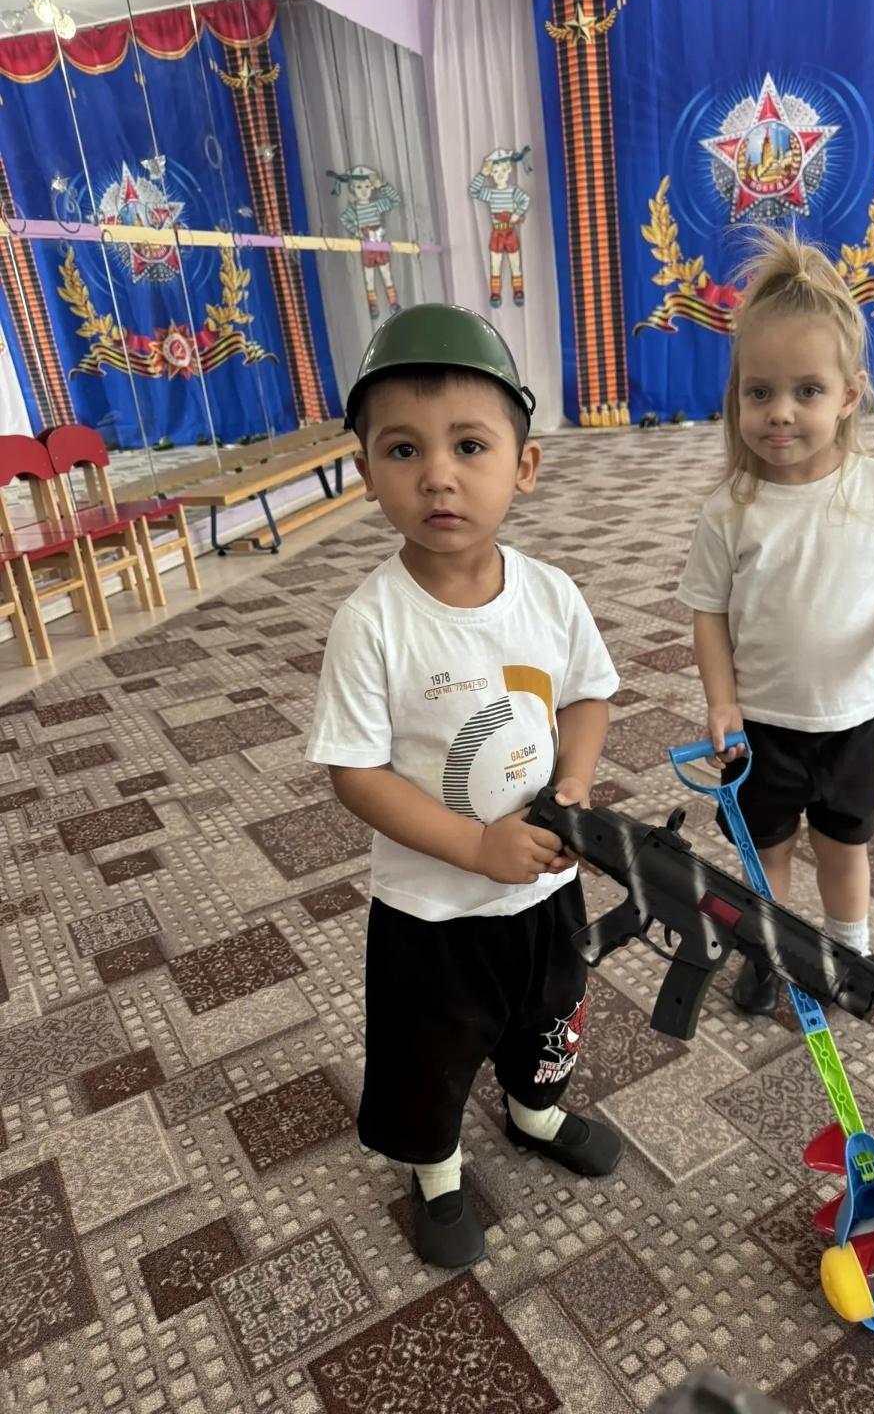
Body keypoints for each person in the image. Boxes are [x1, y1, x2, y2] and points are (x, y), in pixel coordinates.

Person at [306, 303, 622, 1269]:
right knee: (428, 1055)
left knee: (551, 1015)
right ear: (366, 472)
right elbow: (355, 773)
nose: (438, 474)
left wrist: (573, 783)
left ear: (524, 466)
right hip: (432, 913)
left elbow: (588, 695)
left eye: (470, 445)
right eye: (402, 449)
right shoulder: (373, 623)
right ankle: (437, 1173)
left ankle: (534, 1113)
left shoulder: (551, 593)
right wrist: (475, 847)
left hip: (546, 890)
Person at [677, 228, 874, 1017]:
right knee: (767, 855)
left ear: (849, 395)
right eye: (759, 392)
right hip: (762, 725)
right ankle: (770, 950)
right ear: (737, 396)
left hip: (853, 719)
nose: (781, 413)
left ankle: (850, 954)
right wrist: (722, 701)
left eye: (807, 391)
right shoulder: (730, 509)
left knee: (844, 847)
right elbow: (708, 613)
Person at [327, 164, 402, 320]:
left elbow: (395, 200)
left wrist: (382, 185)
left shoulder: (376, 205)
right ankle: (373, 305)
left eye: (367, 186)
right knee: (369, 278)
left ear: (372, 187)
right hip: (367, 246)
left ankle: (393, 303)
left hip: (379, 244)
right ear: (353, 188)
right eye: (359, 187)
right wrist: (356, 231)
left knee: (386, 274)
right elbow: (344, 219)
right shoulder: (354, 210)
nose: (363, 191)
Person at [469, 147, 531, 307]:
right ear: (491, 174)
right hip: (497, 232)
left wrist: (516, 214)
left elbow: (525, 199)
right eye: (496, 171)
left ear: (509, 170)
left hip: (510, 231)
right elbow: (473, 191)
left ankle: (518, 291)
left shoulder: (513, 191)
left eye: (503, 170)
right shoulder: (491, 193)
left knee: (515, 263)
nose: (500, 174)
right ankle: (495, 293)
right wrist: (482, 173)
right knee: (495, 264)